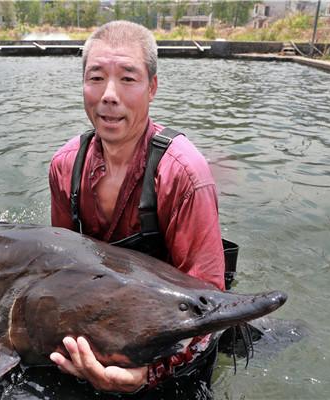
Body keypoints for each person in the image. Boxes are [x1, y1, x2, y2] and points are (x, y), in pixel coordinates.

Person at [48, 21, 226, 394]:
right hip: (110, 323)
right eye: (96, 78)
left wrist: (149, 374)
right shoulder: (66, 165)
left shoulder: (183, 173)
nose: (109, 95)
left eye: (128, 79)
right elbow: (59, 269)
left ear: (152, 88)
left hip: (172, 340)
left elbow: (209, 309)